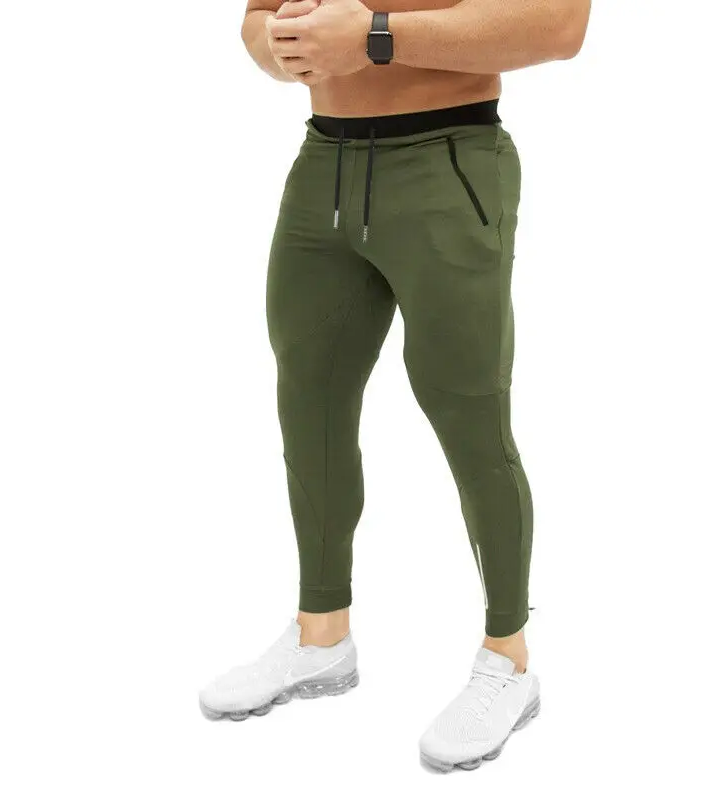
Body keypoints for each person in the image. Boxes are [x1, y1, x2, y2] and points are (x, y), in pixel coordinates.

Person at [199, 0, 590, 772]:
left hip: (448, 159)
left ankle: (508, 659)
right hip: (324, 163)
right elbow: (257, 19)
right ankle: (321, 636)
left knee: (468, 412)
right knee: (308, 403)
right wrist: (280, 47)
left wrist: (376, 37)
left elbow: (559, 25)